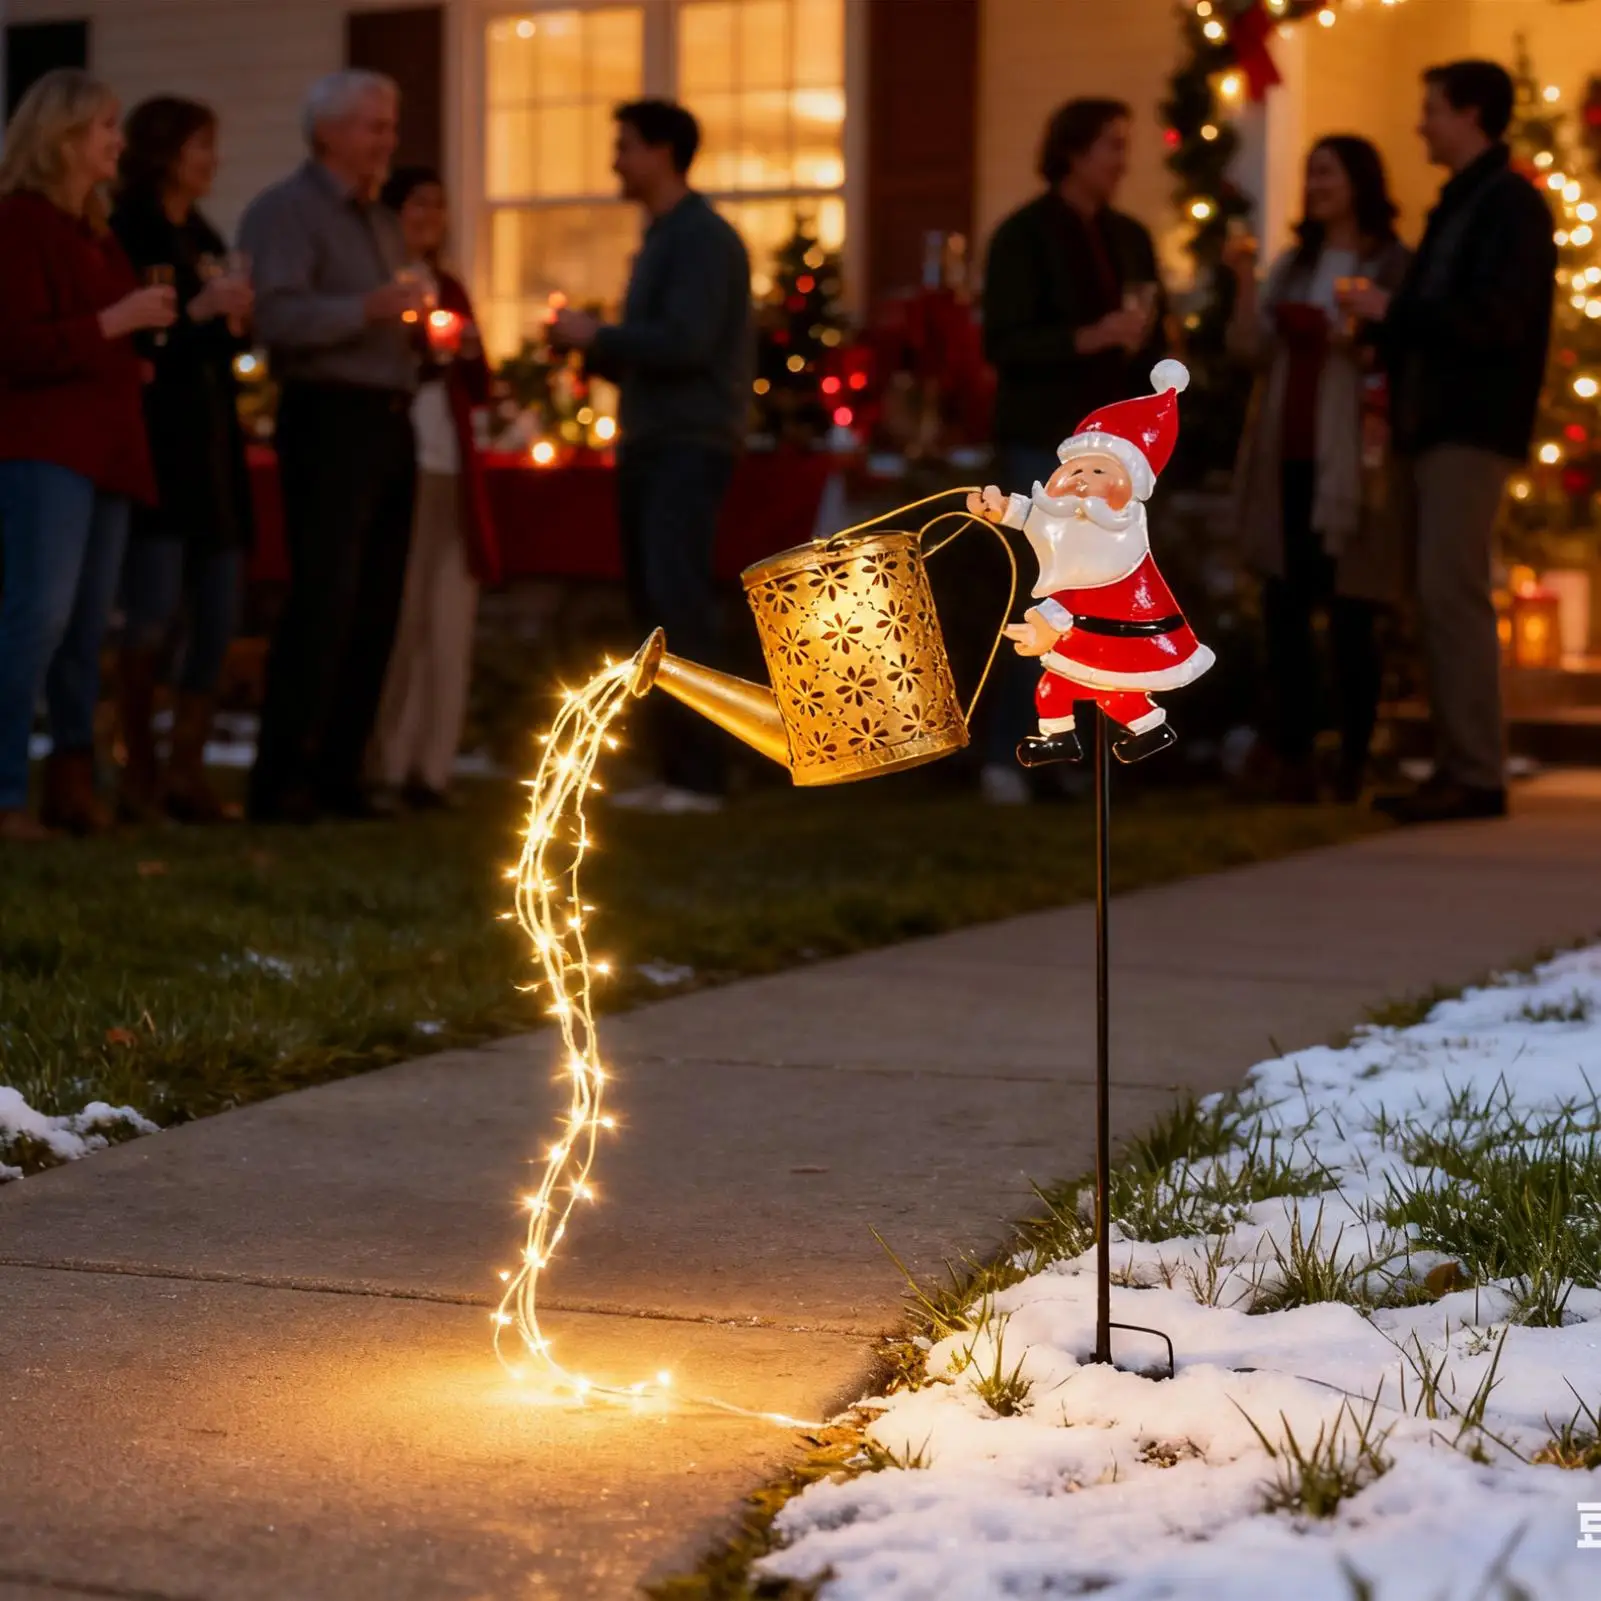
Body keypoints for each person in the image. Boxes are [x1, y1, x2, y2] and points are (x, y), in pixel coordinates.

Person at [1346, 61, 1556, 825]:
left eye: (1430, 109)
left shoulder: (1507, 209)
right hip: (1434, 424)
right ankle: (1457, 764)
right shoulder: (1466, 206)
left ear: (1470, 114)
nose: (1420, 124)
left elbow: (1494, 319)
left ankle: (1473, 771)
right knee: (1435, 594)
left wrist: (1389, 313)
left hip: (1469, 426)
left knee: (1450, 591)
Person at [552, 98, 752, 815]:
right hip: (655, 438)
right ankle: (675, 770)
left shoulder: (700, 239)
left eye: (625, 146)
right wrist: (593, 347)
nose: (614, 160)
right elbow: (659, 353)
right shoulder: (665, 237)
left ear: (663, 152)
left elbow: (686, 344)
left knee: (677, 602)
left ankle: (700, 777)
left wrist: (598, 335)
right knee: (653, 604)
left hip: (687, 443)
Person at [238, 69, 424, 823]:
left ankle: (342, 774)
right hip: (327, 417)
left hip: (389, 416)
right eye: (373, 127)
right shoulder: (283, 213)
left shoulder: (378, 222)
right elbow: (274, 318)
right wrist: (368, 307)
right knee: (325, 597)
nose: (387, 140)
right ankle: (283, 778)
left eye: (389, 126)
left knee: (379, 600)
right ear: (328, 134)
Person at [0, 69, 175, 843]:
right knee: (36, 616)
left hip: (106, 449)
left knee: (85, 629)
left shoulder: (95, 231)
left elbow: (99, 334)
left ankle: (74, 781)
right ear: (64, 137)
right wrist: (112, 326)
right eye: (106, 126)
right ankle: (5, 789)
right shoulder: (18, 224)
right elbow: (16, 345)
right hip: (45, 448)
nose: (118, 141)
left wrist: (131, 351)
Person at [978, 98, 1166, 804]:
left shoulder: (1128, 238)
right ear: (1074, 152)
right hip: (1046, 442)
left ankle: (1076, 757)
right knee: (1046, 598)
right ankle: (1010, 754)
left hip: (1115, 454)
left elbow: (1153, 333)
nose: (1122, 160)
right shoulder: (1023, 238)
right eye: (1111, 145)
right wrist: (1088, 337)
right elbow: (1005, 342)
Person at [1225, 137, 1411, 804]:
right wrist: (1245, 280)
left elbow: (1404, 348)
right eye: (1308, 173)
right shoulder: (1293, 263)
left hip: (1353, 461)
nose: (1313, 184)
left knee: (1352, 609)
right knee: (1285, 607)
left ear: (1359, 181)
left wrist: (1351, 339)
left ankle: (1354, 758)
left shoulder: (1389, 261)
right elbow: (1247, 348)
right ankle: (1295, 755)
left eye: (1326, 171)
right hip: (1287, 450)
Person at [111, 95, 256, 825]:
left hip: (213, 445)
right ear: (166, 150)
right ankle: (137, 768)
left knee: (219, 607)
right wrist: (198, 315)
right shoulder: (129, 229)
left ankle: (186, 769)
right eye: (203, 146)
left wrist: (233, 318)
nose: (213, 160)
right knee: (153, 612)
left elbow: (215, 343)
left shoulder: (201, 232)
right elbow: (138, 345)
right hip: (160, 447)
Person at [371, 165, 500, 809]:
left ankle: (432, 766)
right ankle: (387, 760)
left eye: (439, 206)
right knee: (403, 619)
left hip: (452, 465)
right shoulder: (377, 283)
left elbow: (479, 389)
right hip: (404, 462)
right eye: (417, 204)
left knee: (448, 618)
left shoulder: (448, 286)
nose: (429, 217)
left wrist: (466, 351)